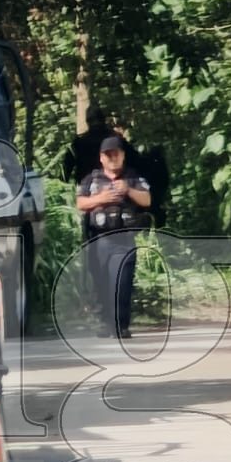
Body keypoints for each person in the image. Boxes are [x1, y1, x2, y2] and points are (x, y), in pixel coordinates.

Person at [76, 136, 153, 339]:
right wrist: (101, 198)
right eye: (108, 155)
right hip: (99, 239)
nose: (112, 158)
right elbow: (81, 203)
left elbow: (146, 199)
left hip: (123, 239)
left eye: (115, 154)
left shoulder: (133, 177)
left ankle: (121, 326)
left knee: (122, 282)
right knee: (101, 282)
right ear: (101, 158)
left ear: (122, 156)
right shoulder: (92, 179)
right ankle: (105, 323)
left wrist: (127, 190)